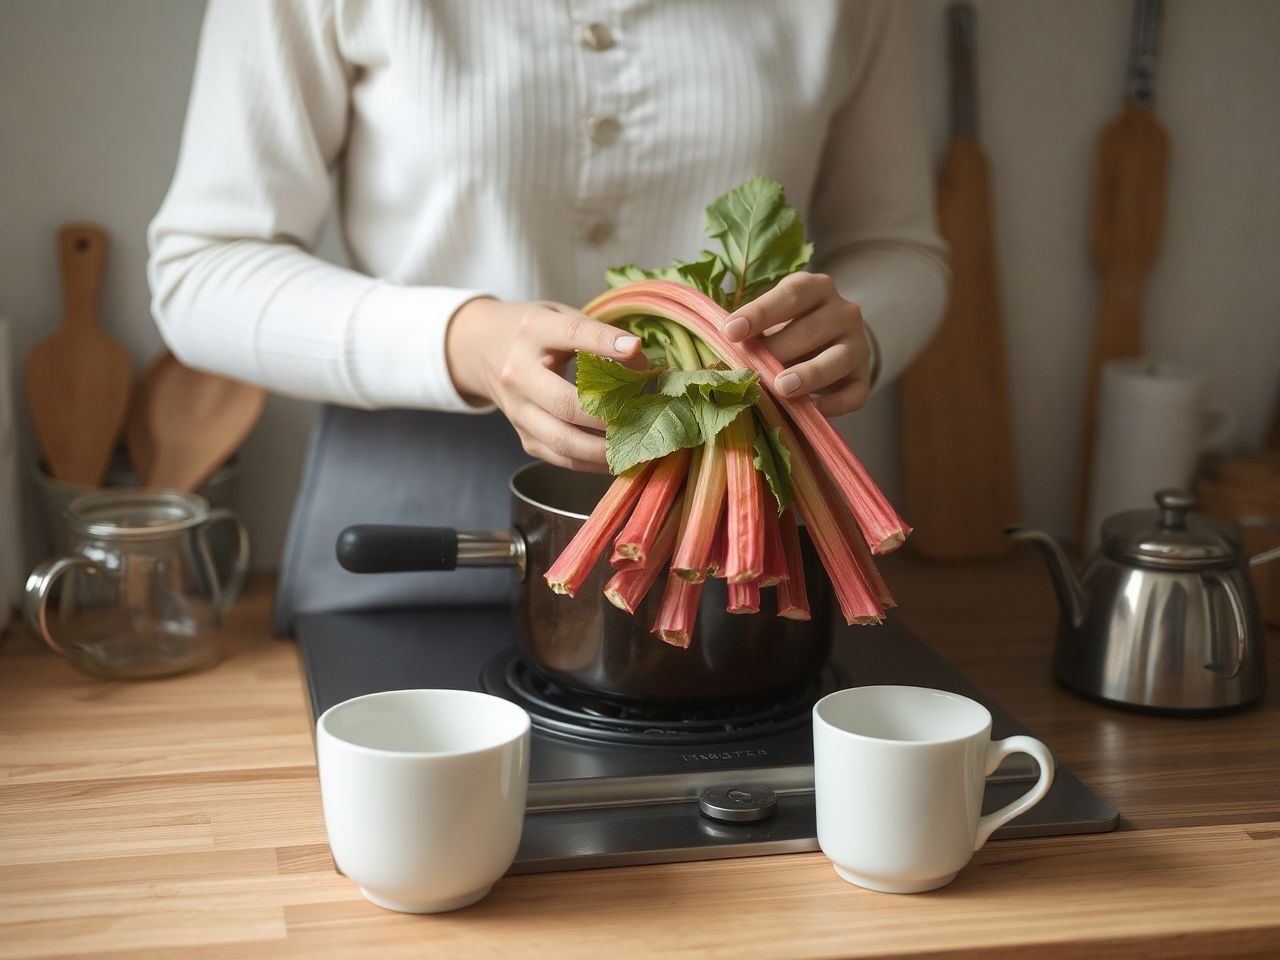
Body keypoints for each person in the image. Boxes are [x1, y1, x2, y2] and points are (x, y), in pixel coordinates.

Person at [147, 0, 948, 631]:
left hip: (734, 540)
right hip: (406, 528)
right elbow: (201, 267)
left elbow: (897, 246)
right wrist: (467, 340)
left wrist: (860, 331)